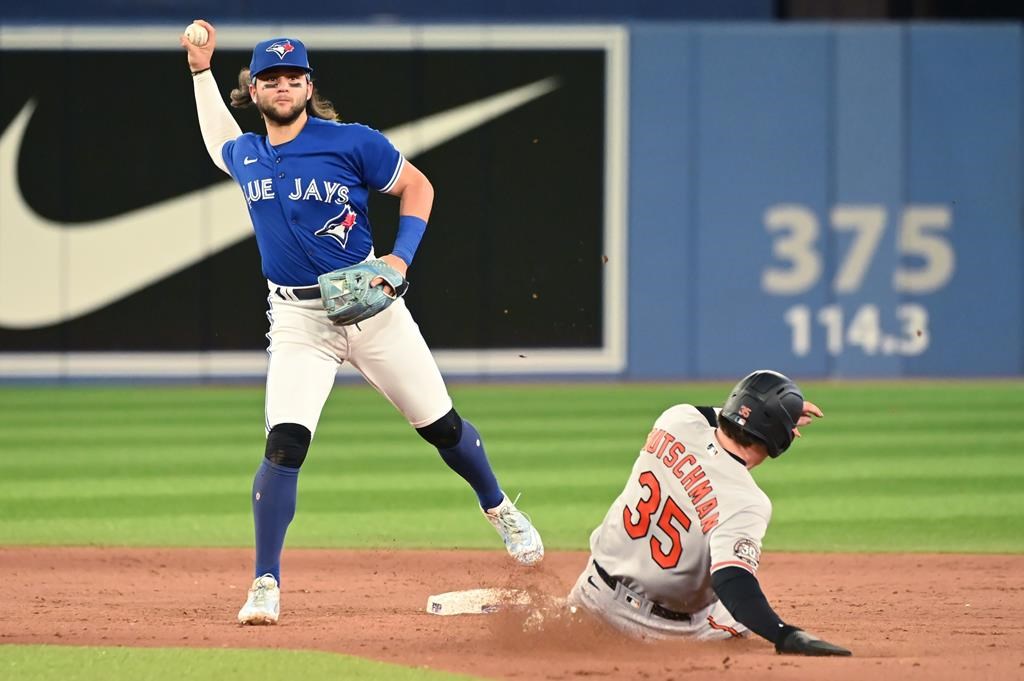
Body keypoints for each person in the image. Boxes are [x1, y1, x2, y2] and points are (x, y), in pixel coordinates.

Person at [179, 20, 543, 626]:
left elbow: (418, 187)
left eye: (294, 75)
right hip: (299, 319)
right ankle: (265, 581)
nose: (284, 84)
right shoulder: (246, 155)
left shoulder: (352, 142)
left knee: (443, 428)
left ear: (308, 84)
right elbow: (218, 136)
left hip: (374, 311)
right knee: (284, 443)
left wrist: (399, 259)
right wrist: (199, 71)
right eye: (271, 77)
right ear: (256, 91)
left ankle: (499, 507)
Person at [567, 370, 851, 656]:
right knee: (738, 623)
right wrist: (784, 635)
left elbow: (723, 417)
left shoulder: (676, 419)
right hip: (658, 631)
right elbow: (734, 583)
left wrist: (774, 416)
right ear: (780, 440)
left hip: (592, 593)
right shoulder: (746, 501)